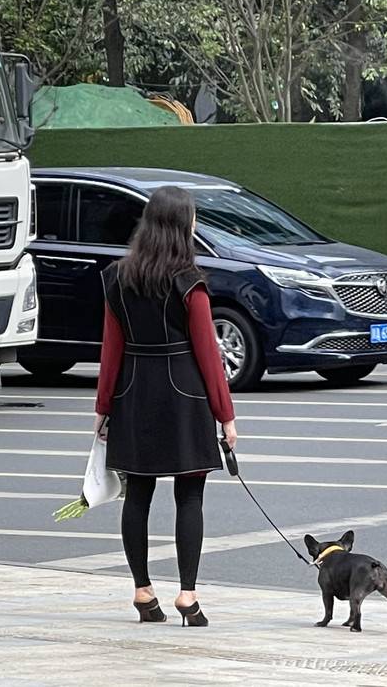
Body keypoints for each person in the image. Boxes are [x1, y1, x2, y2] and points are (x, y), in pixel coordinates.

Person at [94, 186, 238, 625]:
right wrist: (226, 416)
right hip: (184, 396)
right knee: (189, 495)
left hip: (133, 394)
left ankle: (142, 591)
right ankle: (188, 596)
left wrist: (103, 409)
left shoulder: (119, 278)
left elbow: (111, 350)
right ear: (183, 226)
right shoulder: (189, 282)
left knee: (137, 493)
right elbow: (209, 356)